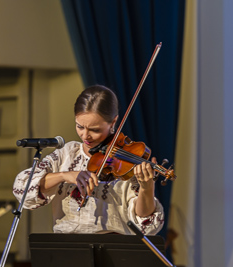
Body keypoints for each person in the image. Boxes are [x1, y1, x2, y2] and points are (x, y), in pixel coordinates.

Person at [13, 85, 167, 235]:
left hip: (113, 251)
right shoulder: (67, 154)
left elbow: (146, 226)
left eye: (95, 130)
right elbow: (23, 189)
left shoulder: (127, 163)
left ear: (113, 122)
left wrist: (146, 188)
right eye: (80, 126)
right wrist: (65, 175)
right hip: (67, 249)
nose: (85, 136)